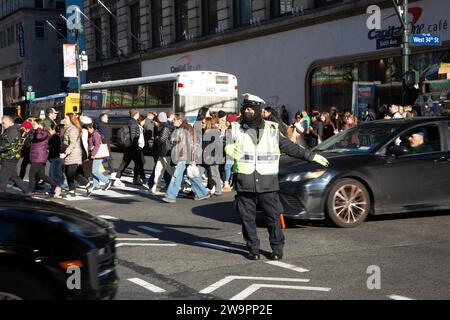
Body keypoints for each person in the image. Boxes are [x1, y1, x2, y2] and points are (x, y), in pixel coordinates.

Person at [225, 93, 329, 261]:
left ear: (259, 110)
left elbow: (290, 147)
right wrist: (230, 150)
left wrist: (311, 156)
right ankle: (253, 248)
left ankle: (277, 247)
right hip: (245, 181)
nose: (247, 112)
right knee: (247, 218)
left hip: (267, 182)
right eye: (245, 109)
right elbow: (227, 145)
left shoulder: (272, 129)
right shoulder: (235, 128)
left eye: (251, 109)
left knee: (272, 217)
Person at [162, 115, 210, 203]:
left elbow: (192, 144)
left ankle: (171, 195)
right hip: (184, 155)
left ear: (179, 120)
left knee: (177, 175)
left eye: (174, 120)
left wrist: (192, 159)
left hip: (185, 156)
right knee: (191, 175)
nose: (173, 121)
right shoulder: (183, 127)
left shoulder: (186, 128)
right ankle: (203, 193)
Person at [28, 119, 62, 197]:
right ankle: (56, 186)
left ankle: (30, 192)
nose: (33, 125)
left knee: (31, 174)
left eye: (35, 124)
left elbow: (38, 137)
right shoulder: (37, 132)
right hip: (37, 157)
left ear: (40, 125)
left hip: (39, 157)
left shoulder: (44, 133)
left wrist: (39, 128)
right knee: (41, 175)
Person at [61, 113, 92, 197]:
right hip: (70, 154)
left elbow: (73, 144)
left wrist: (65, 153)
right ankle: (72, 191)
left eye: (66, 118)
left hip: (73, 154)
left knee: (71, 173)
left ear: (71, 120)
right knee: (68, 173)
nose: (64, 120)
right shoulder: (68, 128)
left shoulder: (73, 129)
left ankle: (87, 184)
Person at [115, 109, 146, 186]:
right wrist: (136, 146)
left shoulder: (131, 122)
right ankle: (144, 180)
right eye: (138, 114)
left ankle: (118, 178)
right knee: (139, 163)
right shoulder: (133, 123)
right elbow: (133, 136)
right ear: (135, 114)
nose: (139, 115)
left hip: (129, 146)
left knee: (125, 162)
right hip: (132, 146)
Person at [0, 116, 30, 194]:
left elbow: (9, 145)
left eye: (3, 122)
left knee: (3, 178)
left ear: (9, 121)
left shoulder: (13, 131)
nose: (2, 124)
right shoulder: (10, 129)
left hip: (9, 157)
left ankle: (1, 194)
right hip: (9, 156)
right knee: (14, 177)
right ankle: (27, 191)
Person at [87, 123, 112, 191]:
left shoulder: (95, 134)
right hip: (96, 155)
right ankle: (96, 185)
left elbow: (97, 145)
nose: (88, 131)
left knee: (94, 171)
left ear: (92, 128)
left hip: (98, 155)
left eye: (88, 129)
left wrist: (93, 154)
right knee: (95, 170)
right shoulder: (94, 133)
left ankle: (107, 181)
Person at [97, 113, 116, 177]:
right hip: (105, 145)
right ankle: (112, 171)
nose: (107, 119)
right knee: (107, 158)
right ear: (102, 118)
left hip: (105, 144)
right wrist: (106, 145)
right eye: (106, 117)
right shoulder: (102, 126)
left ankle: (112, 171)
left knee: (108, 158)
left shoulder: (101, 125)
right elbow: (104, 137)